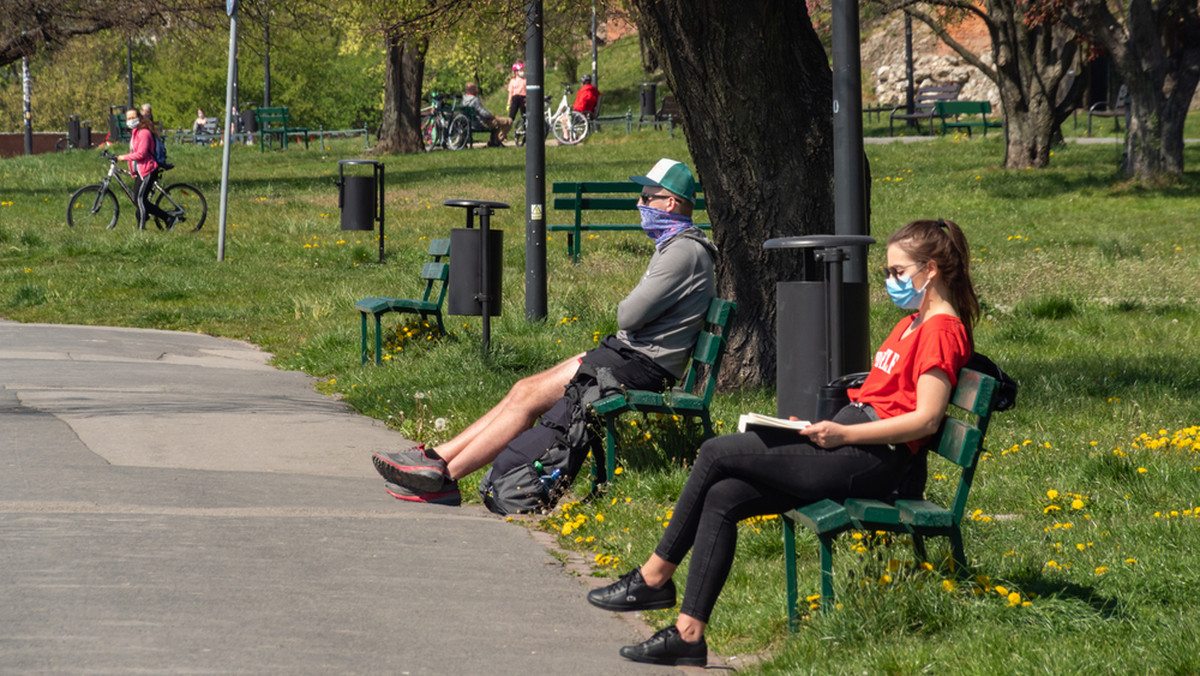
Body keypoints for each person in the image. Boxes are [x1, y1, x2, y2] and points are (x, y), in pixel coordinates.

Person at [585, 218, 979, 668]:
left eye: (897, 272)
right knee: (724, 495)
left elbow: (924, 419)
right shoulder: (912, 324)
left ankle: (654, 577)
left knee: (716, 452)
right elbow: (879, 397)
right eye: (887, 273)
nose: (890, 282)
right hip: (853, 444)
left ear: (930, 270)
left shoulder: (941, 331)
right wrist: (810, 428)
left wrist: (844, 434)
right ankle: (688, 634)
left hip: (874, 459)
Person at [373, 158, 718, 505]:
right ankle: (436, 460)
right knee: (523, 389)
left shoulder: (682, 252)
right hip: (628, 355)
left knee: (528, 399)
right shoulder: (675, 247)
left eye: (647, 198)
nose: (639, 205)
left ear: (670, 202)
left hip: (640, 364)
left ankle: (444, 477)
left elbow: (628, 314)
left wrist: (629, 307)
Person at [116, 108, 175, 231]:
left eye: (133, 118)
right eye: (128, 118)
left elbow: (141, 154)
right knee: (140, 201)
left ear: (140, 118)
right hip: (141, 171)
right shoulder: (135, 133)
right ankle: (168, 218)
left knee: (140, 200)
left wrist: (123, 157)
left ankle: (141, 231)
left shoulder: (144, 133)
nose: (131, 120)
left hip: (148, 170)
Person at [460, 82, 512, 147]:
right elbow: (483, 113)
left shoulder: (463, 99)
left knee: (497, 124)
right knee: (508, 120)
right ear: (472, 90)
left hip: (471, 123)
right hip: (481, 123)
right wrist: (493, 117)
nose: (476, 90)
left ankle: (493, 141)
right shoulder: (475, 100)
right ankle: (497, 141)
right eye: (475, 88)